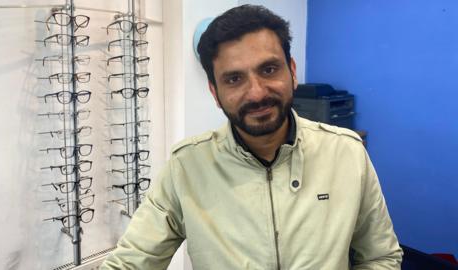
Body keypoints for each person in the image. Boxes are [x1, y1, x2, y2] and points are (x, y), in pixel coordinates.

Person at [101, 4, 403, 270]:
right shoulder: (187, 168)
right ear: (214, 92)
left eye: (269, 69)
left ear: (293, 71)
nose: (257, 92)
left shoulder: (346, 153)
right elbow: (130, 262)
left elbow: (380, 257)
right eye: (234, 79)